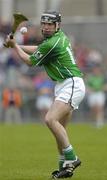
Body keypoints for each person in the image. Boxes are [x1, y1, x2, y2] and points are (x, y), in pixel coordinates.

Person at [4, 11, 85, 178]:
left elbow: (29, 61)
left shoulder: (53, 42)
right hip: (64, 85)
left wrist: (15, 47)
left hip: (71, 84)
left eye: (50, 24)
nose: (46, 27)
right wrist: (15, 45)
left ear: (57, 25)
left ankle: (72, 157)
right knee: (60, 130)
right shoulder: (56, 38)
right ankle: (65, 167)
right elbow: (38, 49)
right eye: (44, 24)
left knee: (50, 119)